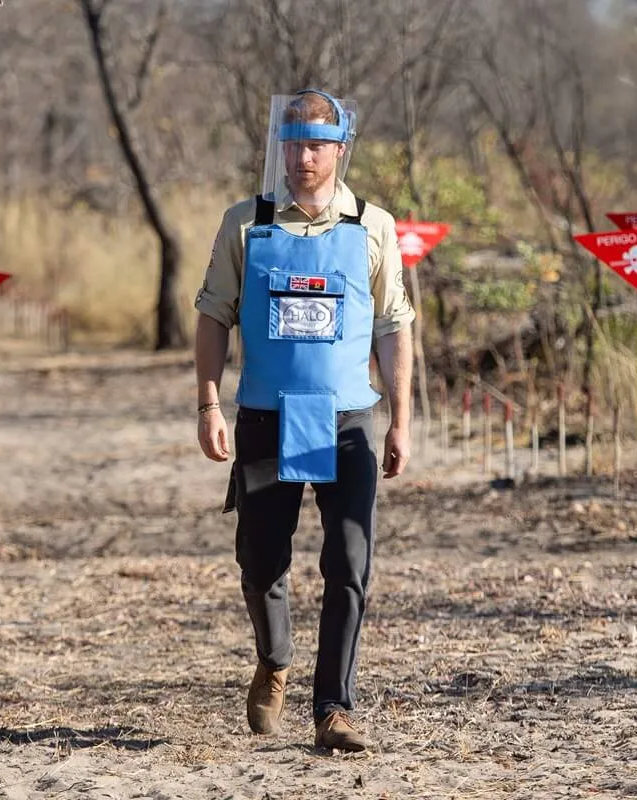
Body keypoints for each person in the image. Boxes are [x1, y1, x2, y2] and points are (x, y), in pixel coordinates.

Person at [193, 88, 414, 753]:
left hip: (346, 418)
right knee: (261, 562)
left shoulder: (373, 226)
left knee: (349, 560)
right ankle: (275, 660)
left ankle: (333, 709)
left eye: (315, 145)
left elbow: (394, 325)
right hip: (267, 414)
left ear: (341, 149)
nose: (301, 157)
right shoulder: (246, 223)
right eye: (291, 144)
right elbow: (212, 315)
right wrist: (208, 402)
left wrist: (400, 418)